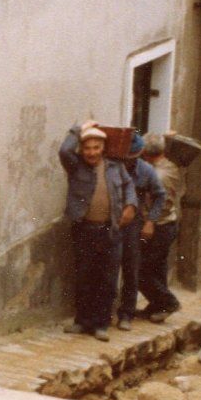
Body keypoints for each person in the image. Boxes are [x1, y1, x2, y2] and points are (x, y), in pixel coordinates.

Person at [58, 121, 136, 340]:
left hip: (110, 231)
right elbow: (64, 149)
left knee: (108, 279)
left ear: (103, 148)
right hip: (84, 230)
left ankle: (102, 324)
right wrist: (79, 128)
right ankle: (82, 321)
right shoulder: (75, 166)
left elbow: (129, 186)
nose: (91, 152)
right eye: (87, 148)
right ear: (82, 150)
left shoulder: (116, 167)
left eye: (96, 147)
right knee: (85, 277)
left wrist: (130, 205)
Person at [116, 131, 166, 330]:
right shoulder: (113, 167)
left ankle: (126, 314)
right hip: (112, 219)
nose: (129, 162)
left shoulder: (147, 171)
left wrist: (150, 221)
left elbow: (160, 196)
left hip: (133, 224)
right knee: (108, 268)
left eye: (133, 159)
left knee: (131, 268)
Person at [138, 133, 182, 322]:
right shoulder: (169, 165)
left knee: (141, 270)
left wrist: (149, 223)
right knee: (157, 268)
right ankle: (157, 306)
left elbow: (161, 204)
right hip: (168, 224)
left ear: (146, 154)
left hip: (159, 226)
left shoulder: (158, 175)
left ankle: (168, 302)